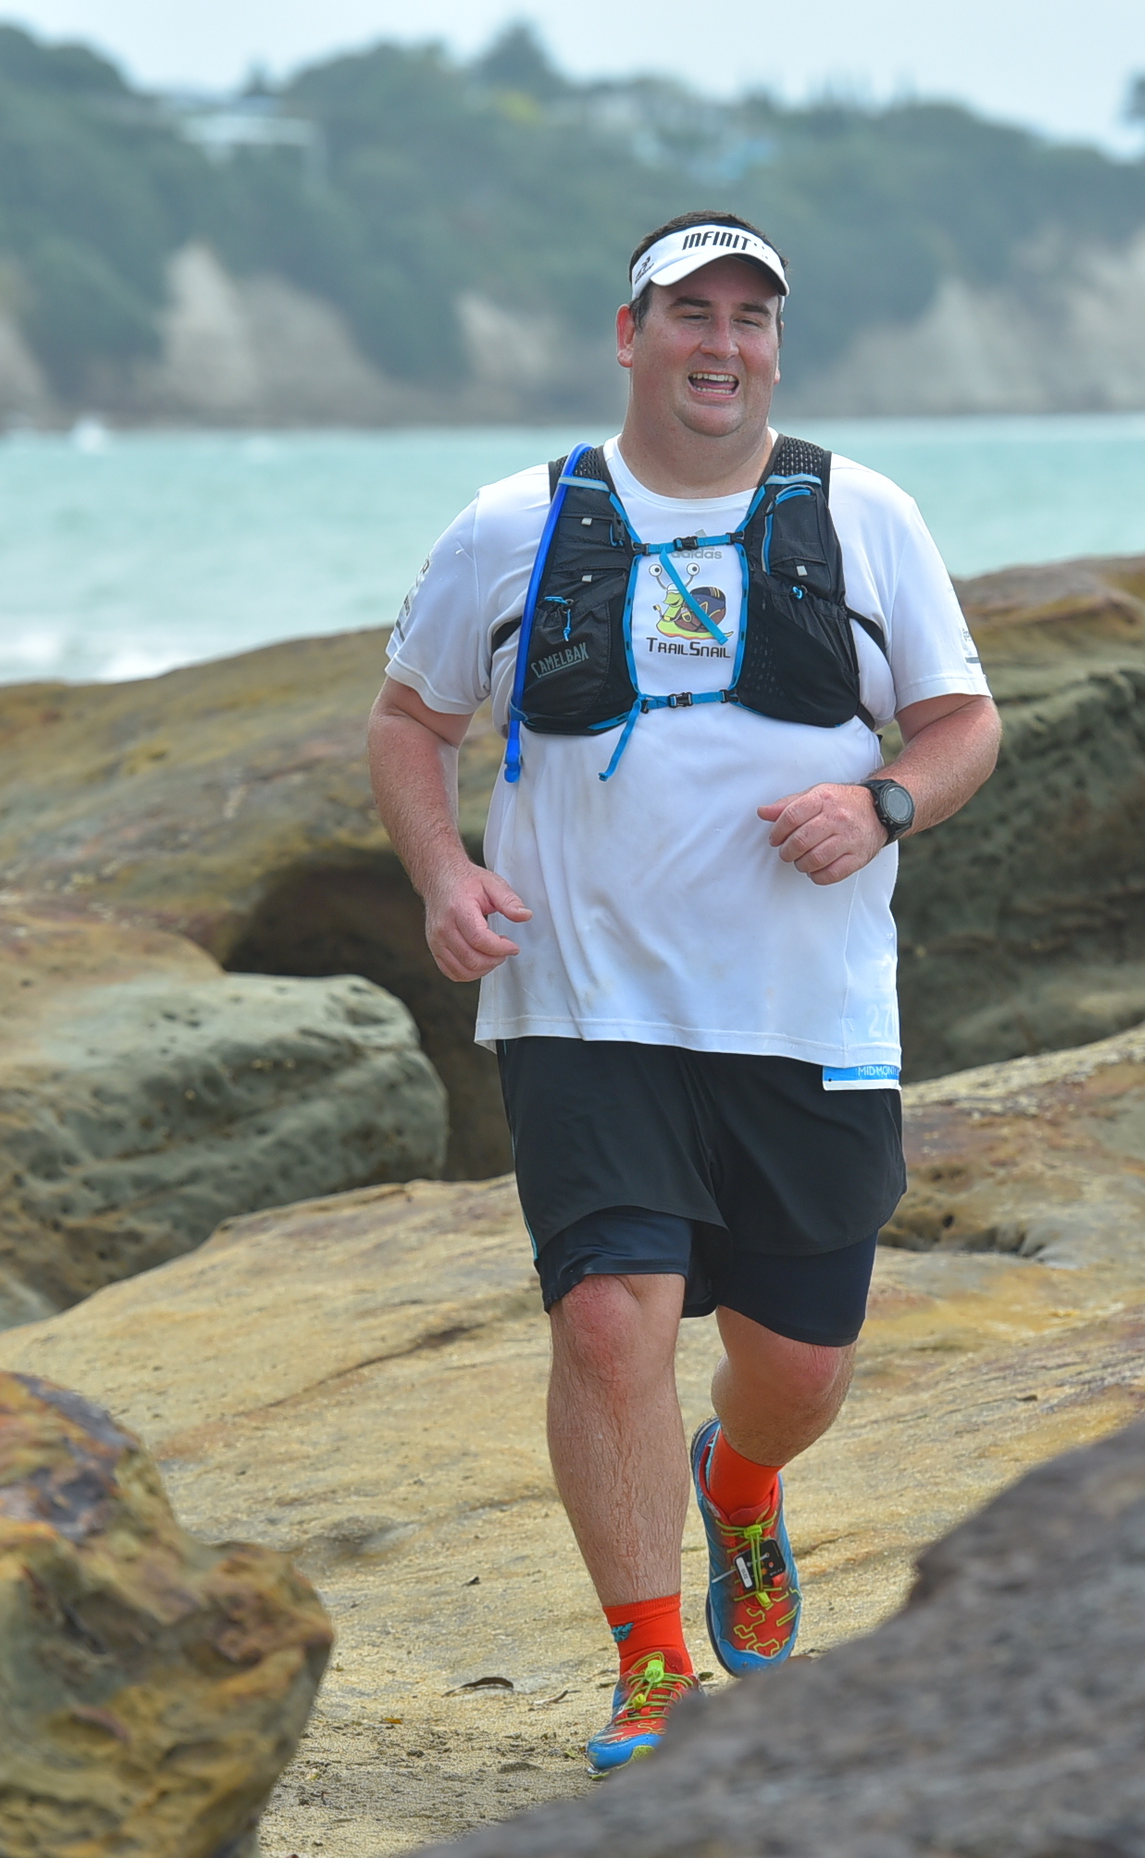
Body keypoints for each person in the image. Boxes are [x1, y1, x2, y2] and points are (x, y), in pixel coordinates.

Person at [367, 210, 1000, 1774]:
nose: (722, 343)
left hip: (806, 1014)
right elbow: (408, 720)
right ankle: (650, 1664)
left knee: (800, 1371)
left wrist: (883, 805)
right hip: (583, 1007)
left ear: (774, 345)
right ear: (630, 334)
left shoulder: (866, 516)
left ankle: (741, 1479)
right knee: (604, 1320)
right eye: (690, 312)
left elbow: (961, 724)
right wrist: (444, 875)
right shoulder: (511, 524)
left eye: (749, 317)